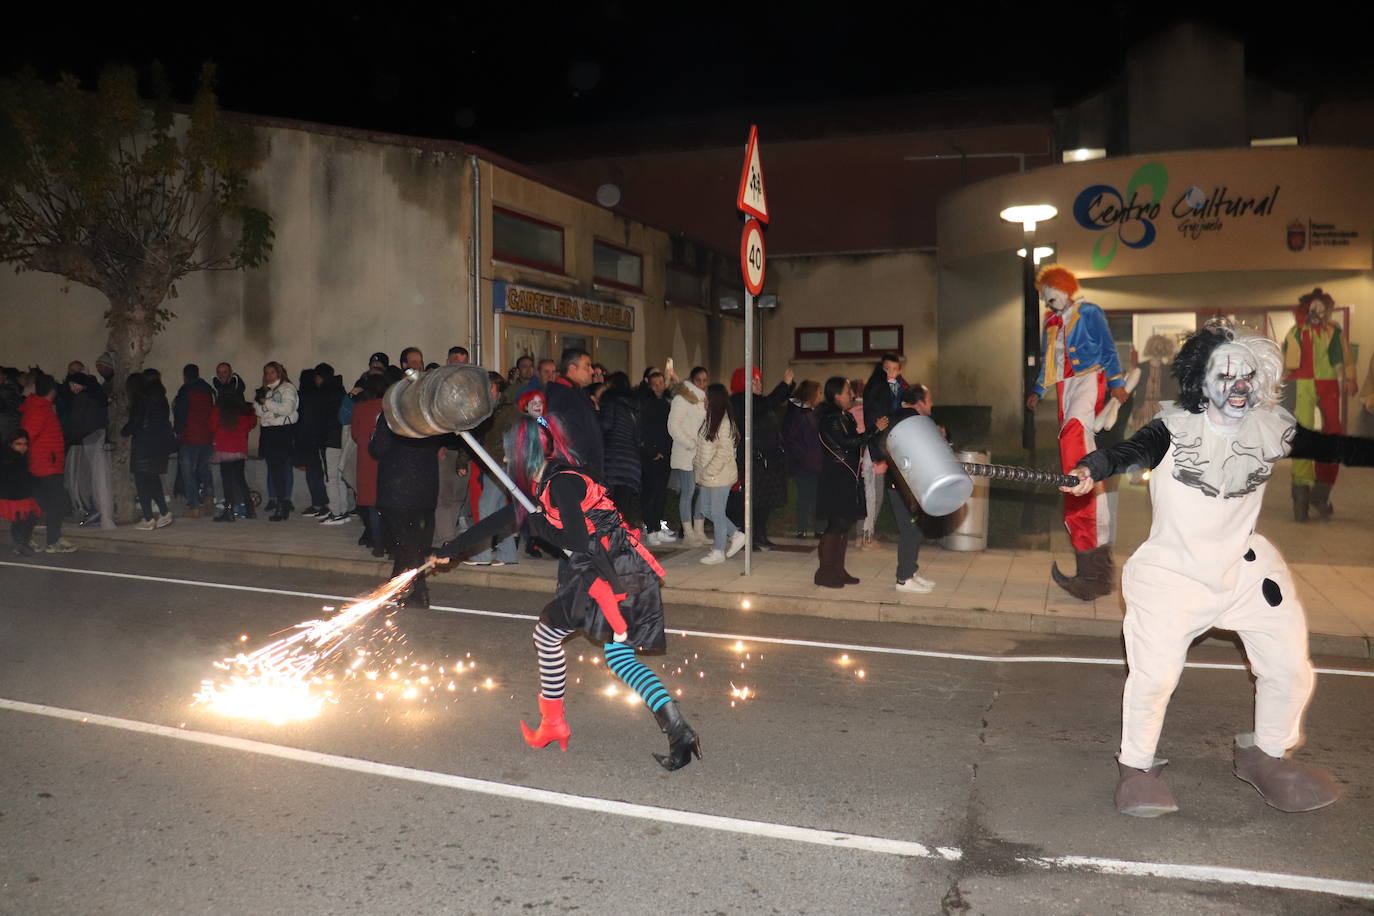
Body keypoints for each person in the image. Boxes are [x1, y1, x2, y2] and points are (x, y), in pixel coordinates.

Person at [1061, 325, 1373, 817]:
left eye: (1247, 375)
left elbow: (1335, 448)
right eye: (1225, 376)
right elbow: (1127, 452)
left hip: (1245, 570)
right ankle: (1137, 765)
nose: (1239, 385)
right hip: (1174, 574)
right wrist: (1091, 468)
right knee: (1155, 676)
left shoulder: (1269, 427)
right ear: (1202, 383)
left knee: (1291, 669)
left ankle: (1265, 754)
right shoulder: (1174, 428)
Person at [431, 415, 701, 771]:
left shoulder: (562, 484)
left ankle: (554, 723)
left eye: (511, 455)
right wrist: (453, 547)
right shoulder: (546, 484)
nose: (508, 462)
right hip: (612, 570)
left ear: (524, 454)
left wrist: (539, 525)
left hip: (611, 573)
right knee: (617, 658)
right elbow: (502, 521)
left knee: (547, 634)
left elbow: (574, 541)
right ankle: (678, 731)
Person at [1026, 265, 1127, 600]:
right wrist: (1038, 390)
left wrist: (1117, 384)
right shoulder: (1051, 323)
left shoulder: (1089, 312)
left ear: (1064, 287)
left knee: (1074, 439)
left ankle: (1095, 572)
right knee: (1069, 452)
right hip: (1065, 386)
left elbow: (1109, 349)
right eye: (1042, 296)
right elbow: (1047, 362)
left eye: (1048, 292)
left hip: (1089, 377)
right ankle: (1091, 572)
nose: (1045, 299)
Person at [368, 392, 453, 608]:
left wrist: (374, 436)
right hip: (424, 488)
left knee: (408, 543)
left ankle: (420, 591)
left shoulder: (390, 417)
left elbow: (378, 448)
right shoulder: (427, 417)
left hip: (397, 489)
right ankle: (392, 586)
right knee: (410, 540)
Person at [1281, 288, 1358, 521]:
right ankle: (1301, 500)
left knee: (1333, 437)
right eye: (1313, 309)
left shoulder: (1333, 333)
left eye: (1322, 310)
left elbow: (1343, 356)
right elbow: (1285, 362)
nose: (1317, 313)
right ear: (1305, 310)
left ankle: (1319, 495)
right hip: (1301, 385)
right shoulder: (1295, 332)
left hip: (1327, 385)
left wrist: (1350, 377)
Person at [814, 377, 887, 588]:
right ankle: (824, 573)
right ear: (836, 395)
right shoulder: (831, 417)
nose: (852, 395)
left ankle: (838, 570)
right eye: (847, 391)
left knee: (844, 525)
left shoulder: (843, 415)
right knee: (836, 525)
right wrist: (873, 430)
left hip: (848, 475)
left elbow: (854, 442)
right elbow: (846, 443)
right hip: (837, 476)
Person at [878, 384, 939, 594]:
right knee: (910, 531)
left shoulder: (905, 417)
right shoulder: (910, 419)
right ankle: (903, 579)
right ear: (920, 402)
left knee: (915, 530)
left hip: (906, 484)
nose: (932, 403)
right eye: (929, 399)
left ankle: (910, 572)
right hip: (902, 486)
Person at [459, 372, 523, 567]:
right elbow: (474, 438)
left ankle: (483, 555)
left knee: (486, 509)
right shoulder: (486, 410)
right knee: (496, 510)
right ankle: (507, 554)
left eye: (491, 387)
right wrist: (462, 461)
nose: (487, 390)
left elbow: (519, 435)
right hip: (494, 465)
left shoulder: (507, 410)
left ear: (498, 388)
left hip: (501, 465)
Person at [728, 365, 794, 549]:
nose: (758, 384)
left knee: (765, 502)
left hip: (767, 459)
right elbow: (770, 402)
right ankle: (749, 538)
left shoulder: (757, 401)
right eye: (754, 380)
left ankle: (760, 535)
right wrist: (784, 384)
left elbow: (772, 402)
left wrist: (788, 386)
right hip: (753, 460)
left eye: (759, 380)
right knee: (753, 502)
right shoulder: (741, 401)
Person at [20, 373, 76, 552]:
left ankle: (25, 539)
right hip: (45, 465)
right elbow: (27, 436)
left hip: (45, 463)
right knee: (55, 503)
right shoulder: (40, 409)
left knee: (40, 503)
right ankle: (53, 540)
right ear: (52, 391)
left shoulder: (41, 408)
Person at [693, 383, 747, 565]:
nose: (704, 399)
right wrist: (699, 466)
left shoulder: (724, 422)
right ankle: (736, 534)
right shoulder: (710, 418)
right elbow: (703, 446)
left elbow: (724, 453)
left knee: (716, 511)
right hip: (708, 474)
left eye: (707, 396)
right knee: (705, 509)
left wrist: (709, 470)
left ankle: (718, 551)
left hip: (719, 475)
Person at [121, 373, 175, 532]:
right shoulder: (158, 398)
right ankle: (164, 512)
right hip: (157, 446)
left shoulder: (141, 401)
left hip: (143, 447)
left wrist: (124, 431)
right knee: (153, 480)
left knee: (142, 483)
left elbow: (135, 422)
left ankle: (148, 518)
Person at [544, 348, 603, 477]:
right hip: (576, 473)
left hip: (587, 471)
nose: (592, 371)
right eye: (587, 366)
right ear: (572, 368)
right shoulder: (560, 395)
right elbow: (559, 433)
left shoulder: (577, 393)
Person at [667, 365, 708, 545]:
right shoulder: (682, 398)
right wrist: (691, 443)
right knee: (688, 492)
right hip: (686, 453)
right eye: (699, 380)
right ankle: (689, 532)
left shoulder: (703, 399)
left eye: (705, 380)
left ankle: (699, 530)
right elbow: (673, 426)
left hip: (701, 454)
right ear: (692, 380)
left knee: (703, 491)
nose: (702, 383)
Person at [254, 361, 299, 522]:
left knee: (281, 470)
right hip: (268, 432)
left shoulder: (288, 388)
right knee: (273, 469)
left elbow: (287, 409)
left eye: (272, 372)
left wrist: (266, 403)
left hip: (282, 432)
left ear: (279, 373)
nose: (268, 376)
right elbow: (258, 411)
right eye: (266, 372)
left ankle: (282, 504)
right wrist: (265, 404)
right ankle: (280, 503)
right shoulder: (265, 390)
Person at [62, 371, 108, 527]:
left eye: (74, 385)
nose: (72, 388)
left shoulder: (82, 398)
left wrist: (68, 438)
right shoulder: (96, 397)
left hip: (85, 443)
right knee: (96, 478)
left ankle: (95, 509)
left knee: (87, 480)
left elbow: (76, 421)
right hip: (93, 441)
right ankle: (97, 510)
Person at [350, 374, 388, 556]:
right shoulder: (389, 406)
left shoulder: (359, 408)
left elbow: (355, 435)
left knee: (372, 505)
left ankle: (378, 543)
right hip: (388, 459)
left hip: (366, 459)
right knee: (389, 504)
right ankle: (391, 544)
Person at [599, 371, 642, 529]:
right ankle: (622, 543)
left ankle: (612, 546)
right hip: (631, 464)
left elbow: (604, 426)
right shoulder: (635, 407)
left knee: (609, 509)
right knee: (622, 510)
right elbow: (638, 437)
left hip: (613, 461)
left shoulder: (610, 402)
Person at [173, 364, 217, 517]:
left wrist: (178, 432)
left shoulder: (185, 391)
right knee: (205, 470)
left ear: (185, 376)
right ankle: (209, 498)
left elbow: (181, 415)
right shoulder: (208, 391)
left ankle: (194, 507)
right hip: (206, 437)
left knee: (188, 473)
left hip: (190, 437)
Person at [637, 369, 674, 545]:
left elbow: (669, 430)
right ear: (649, 386)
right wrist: (652, 451)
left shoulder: (666, 403)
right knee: (650, 493)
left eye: (661, 383)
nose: (659, 387)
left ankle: (657, 527)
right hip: (651, 456)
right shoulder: (645, 404)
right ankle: (650, 529)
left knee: (661, 493)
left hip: (665, 454)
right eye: (655, 384)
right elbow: (644, 431)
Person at [782, 379, 822, 538]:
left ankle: (817, 528)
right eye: (818, 392)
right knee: (806, 496)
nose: (820, 396)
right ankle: (803, 528)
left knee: (815, 496)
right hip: (805, 464)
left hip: (813, 462)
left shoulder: (809, 413)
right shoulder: (798, 414)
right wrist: (804, 456)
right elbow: (790, 439)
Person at [210, 388, 257, 522]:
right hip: (239, 449)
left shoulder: (218, 409)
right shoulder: (243, 411)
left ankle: (228, 511)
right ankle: (250, 509)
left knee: (227, 482)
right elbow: (251, 424)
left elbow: (212, 426)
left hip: (224, 449)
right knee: (241, 480)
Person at [1, 430, 41, 556]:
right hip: (13, 495)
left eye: (25, 444)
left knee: (26, 519)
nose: (22, 447)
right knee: (22, 520)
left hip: (22, 494)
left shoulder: (20, 457)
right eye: (18, 444)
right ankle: (21, 545)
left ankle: (22, 544)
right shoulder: (9, 459)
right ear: (11, 445)